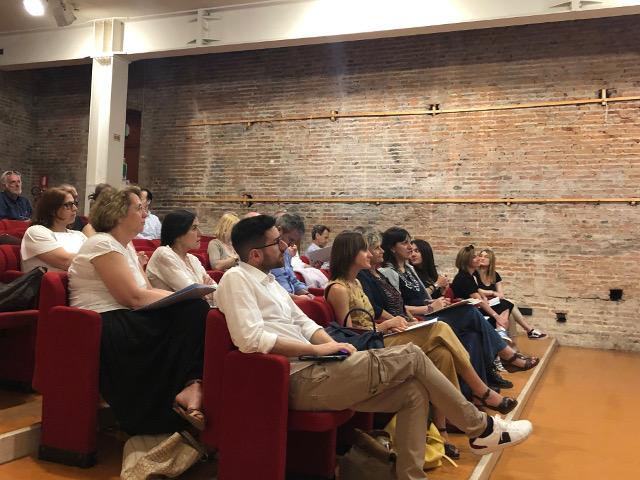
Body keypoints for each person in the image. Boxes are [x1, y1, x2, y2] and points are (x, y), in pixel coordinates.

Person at [214, 215, 532, 480]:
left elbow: (306, 324)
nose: (285, 247)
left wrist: (333, 345)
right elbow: (250, 339)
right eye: (276, 243)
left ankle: (411, 476)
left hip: (319, 367)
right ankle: (480, 428)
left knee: (413, 393)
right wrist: (321, 351)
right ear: (255, 254)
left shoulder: (270, 283)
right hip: (295, 377)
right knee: (412, 354)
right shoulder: (236, 279)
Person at [326, 231, 518, 458]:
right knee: (440, 328)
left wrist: (399, 323)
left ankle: (443, 431)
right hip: (370, 345)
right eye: (364, 250)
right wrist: (385, 326)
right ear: (350, 253)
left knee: (442, 354)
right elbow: (349, 333)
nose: (370, 254)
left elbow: (371, 317)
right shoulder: (338, 288)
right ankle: (482, 392)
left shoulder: (356, 282)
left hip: (381, 334)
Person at [68, 186, 209, 434]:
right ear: (118, 213)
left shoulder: (127, 246)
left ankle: (193, 385)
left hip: (127, 315)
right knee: (194, 311)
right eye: (139, 208)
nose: (146, 214)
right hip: (107, 321)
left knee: (197, 311)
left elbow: (147, 289)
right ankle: (179, 396)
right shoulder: (102, 243)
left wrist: (187, 296)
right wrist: (185, 297)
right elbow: (132, 297)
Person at [354, 229, 517, 414]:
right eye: (374, 248)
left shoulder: (386, 274)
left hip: (410, 320)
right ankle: (495, 368)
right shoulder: (371, 276)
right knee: (463, 315)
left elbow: (401, 304)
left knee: (460, 341)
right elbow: (361, 323)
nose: (380, 251)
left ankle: (464, 404)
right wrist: (427, 307)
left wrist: (429, 305)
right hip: (394, 329)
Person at [380, 228, 539, 386]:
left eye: (411, 244)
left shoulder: (409, 269)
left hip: (429, 313)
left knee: (473, 334)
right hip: (418, 319)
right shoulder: (388, 272)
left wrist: (439, 302)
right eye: (405, 243)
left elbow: (424, 298)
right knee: (470, 312)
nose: (410, 247)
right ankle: (507, 356)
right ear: (392, 248)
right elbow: (400, 307)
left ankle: (480, 386)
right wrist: (430, 306)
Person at [146, 209, 217, 305]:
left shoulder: (193, 259)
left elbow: (215, 290)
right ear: (178, 234)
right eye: (194, 228)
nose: (200, 233)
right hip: (168, 312)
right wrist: (204, 289)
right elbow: (190, 291)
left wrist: (203, 290)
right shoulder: (163, 254)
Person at [476, 248, 546, 339]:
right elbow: (477, 291)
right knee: (510, 304)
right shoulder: (474, 274)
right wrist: (493, 293)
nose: (482, 258)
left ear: (491, 260)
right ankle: (528, 331)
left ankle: (514, 340)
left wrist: (489, 293)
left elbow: (501, 295)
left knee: (510, 311)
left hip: (493, 303)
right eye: (480, 256)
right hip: (482, 305)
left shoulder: (495, 275)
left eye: (486, 257)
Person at [452, 245, 512, 342]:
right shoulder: (464, 277)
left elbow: (479, 292)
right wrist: (497, 317)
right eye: (475, 257)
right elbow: (479, 301)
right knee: (504, 308)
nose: (479, 258)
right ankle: (501, 333)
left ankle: (501, 331)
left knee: (506, 304)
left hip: (473, 309)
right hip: (466, 312)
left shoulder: (469, 276)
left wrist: (485, 298)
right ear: (468, 261)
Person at [20, 187, 87, 272]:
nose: (75, 208)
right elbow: (67, 261)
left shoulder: (79, 235)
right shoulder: (36, 232)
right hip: (52, 280)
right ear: (52, 210)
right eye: (68, 205)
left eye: (75, 203)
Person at [270, 213, 314, 300]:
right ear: (279, 230)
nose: (292, 245)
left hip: (291, 299)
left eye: (295, 241)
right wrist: (298, 299)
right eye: (291, 240)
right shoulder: (267, 254)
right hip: (280, 301)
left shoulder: (286, 252)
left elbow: (293, 281)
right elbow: (271, 290)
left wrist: (307, 294)